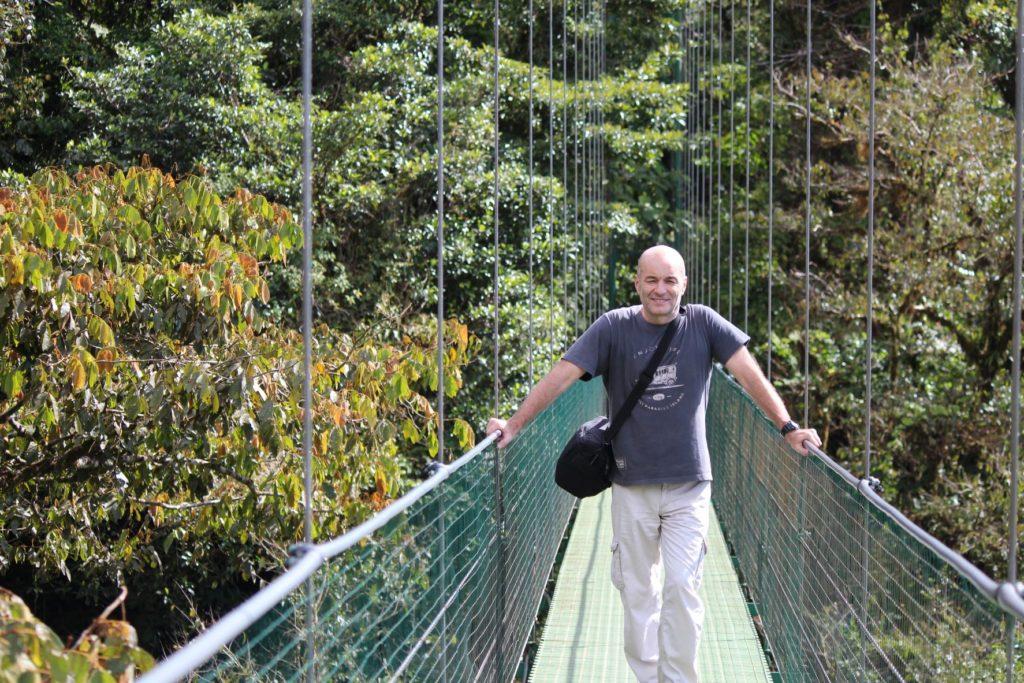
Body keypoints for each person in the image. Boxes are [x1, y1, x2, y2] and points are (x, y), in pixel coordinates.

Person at [486, 245, 820, 683]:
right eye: (651, 280)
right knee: (639, 594)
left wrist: (787, 425)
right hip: (631, 483)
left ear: (684, 284)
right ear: (637, 282)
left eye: (669, 280)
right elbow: (562, 375)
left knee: (683, 587)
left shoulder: (703, 322)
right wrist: (514, 425)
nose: (660, 289)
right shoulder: (614, 328)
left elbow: (748, 372)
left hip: (690, 484)